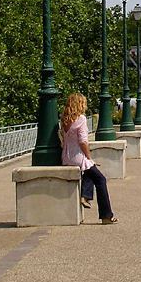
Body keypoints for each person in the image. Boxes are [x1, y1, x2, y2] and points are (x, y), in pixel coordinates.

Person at [60, 92, 118, 224]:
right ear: (80, 104)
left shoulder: (65, 120)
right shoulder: (81, 119)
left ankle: (85, 196)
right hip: (78, 156)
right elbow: (83, 142)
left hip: (66, 157)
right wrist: (88, 156)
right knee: (100, 179)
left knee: (89, 171)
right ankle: (106, 216)